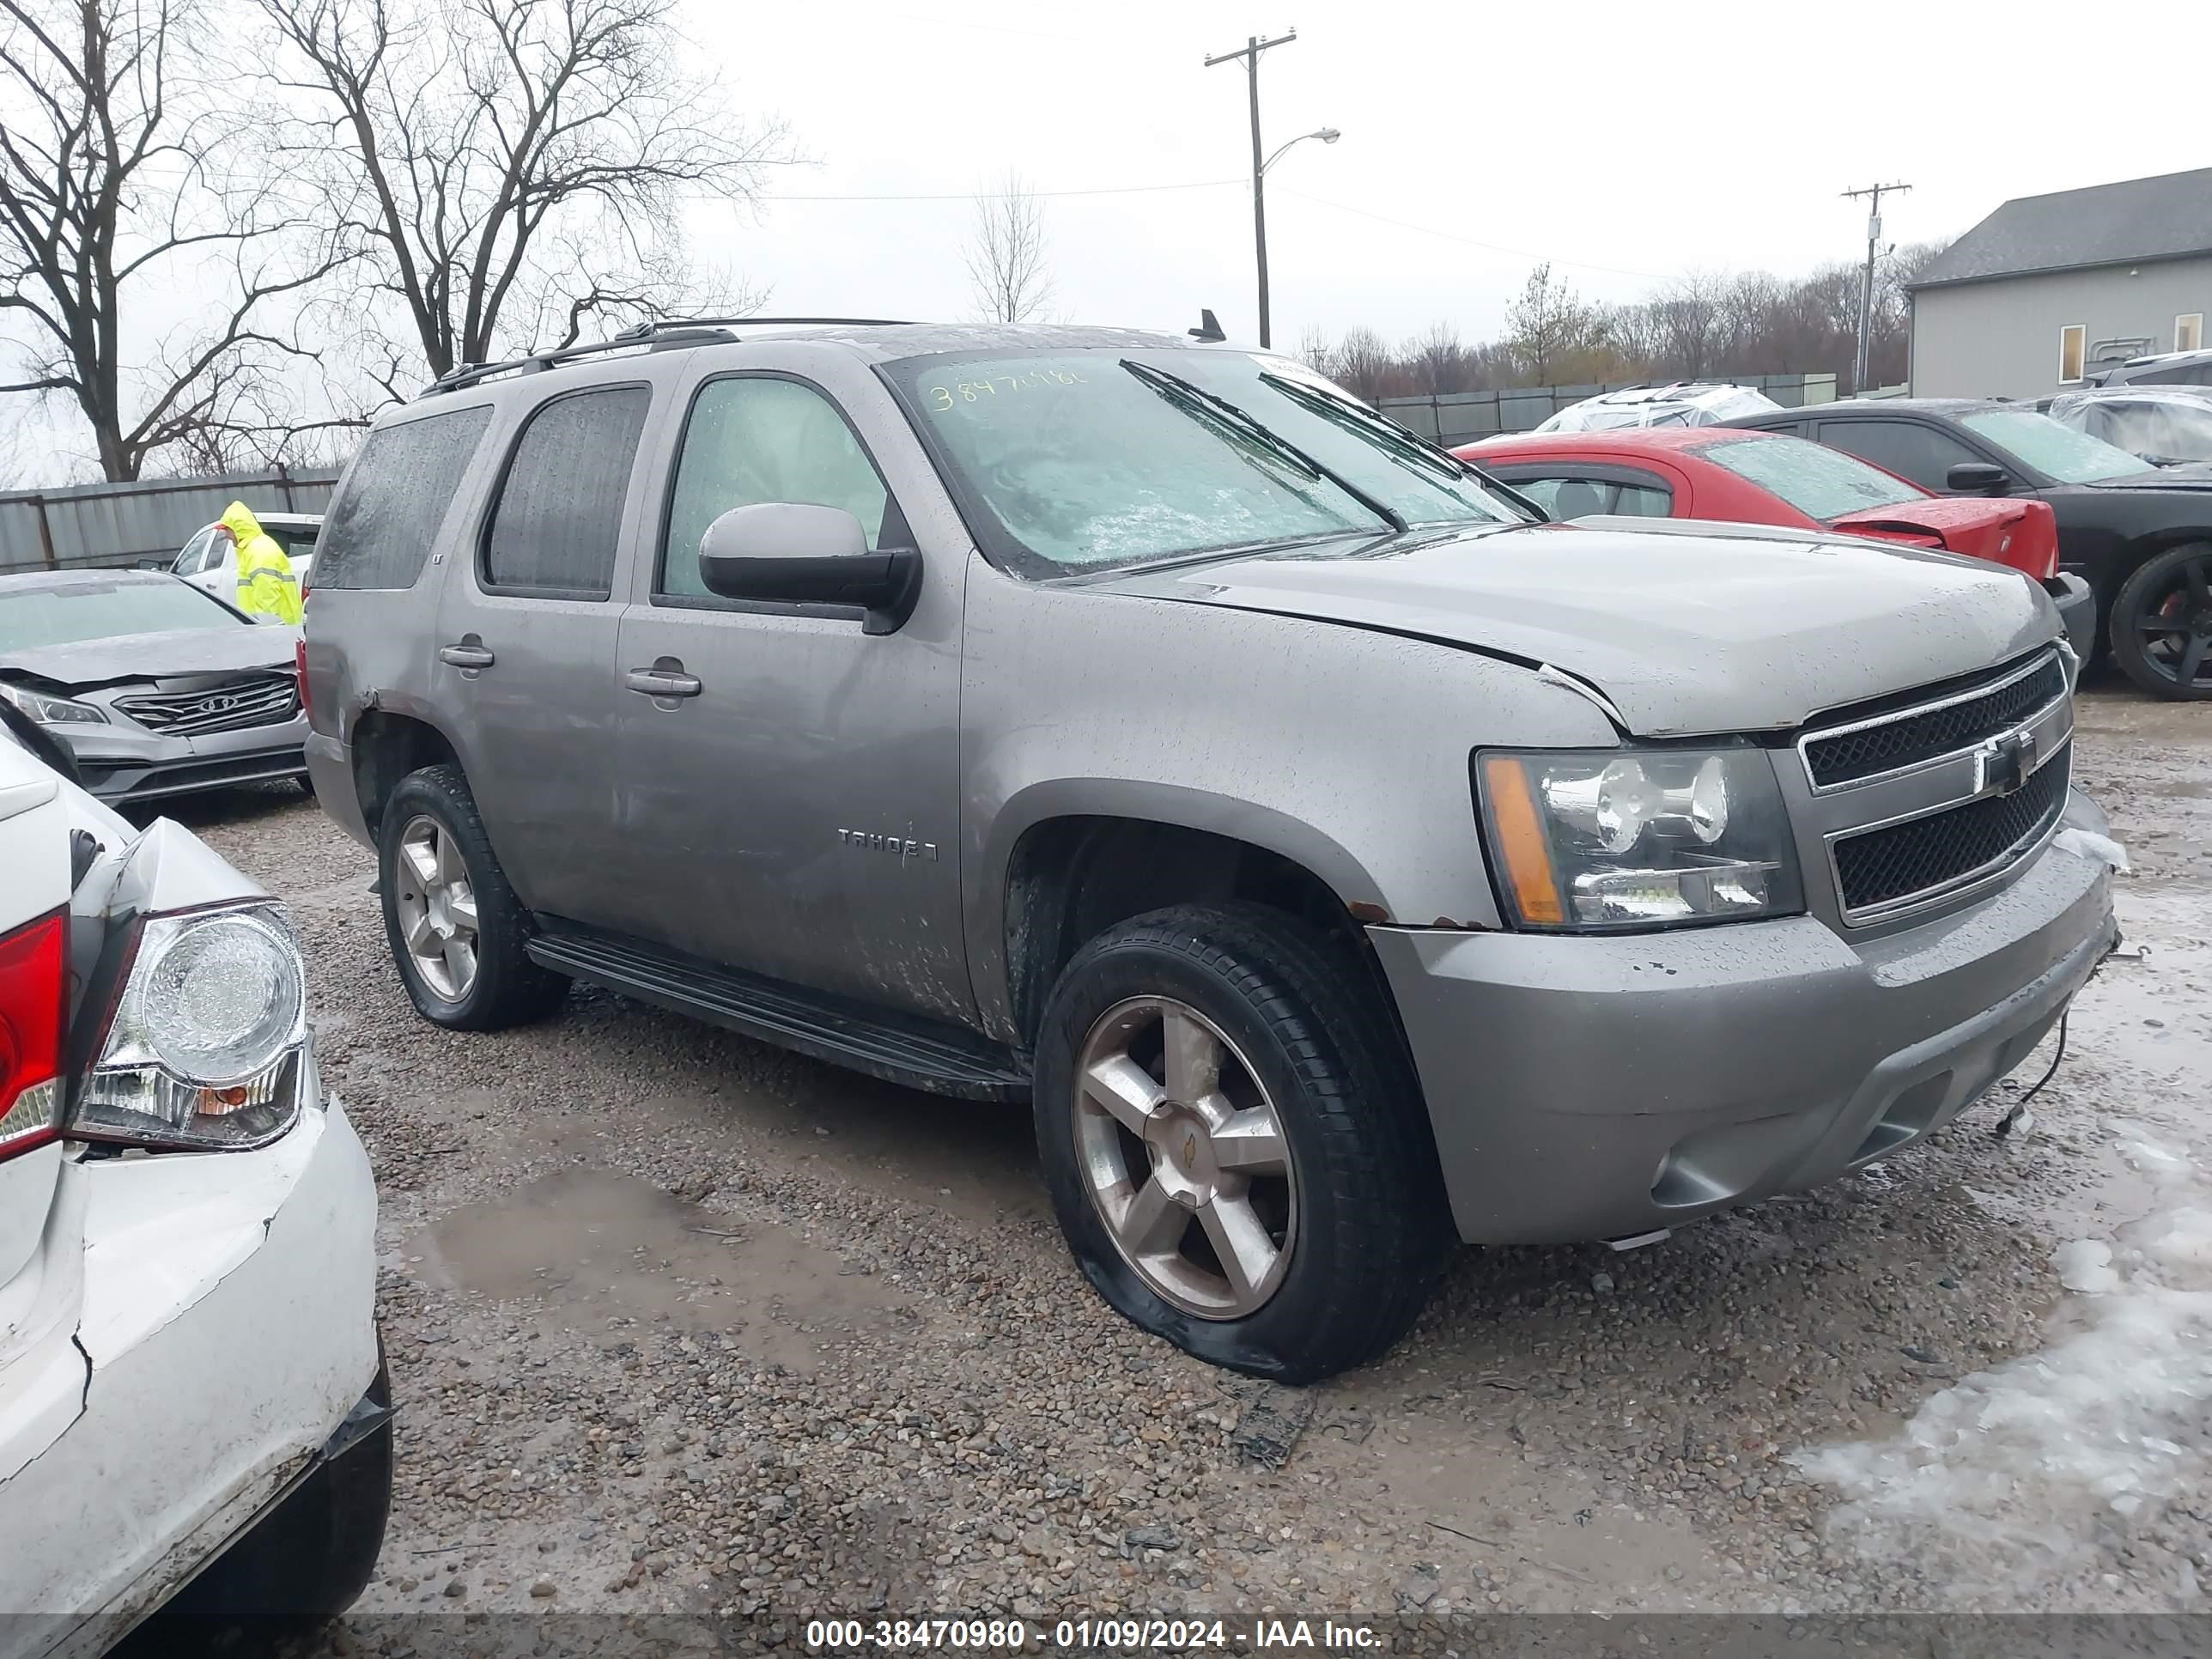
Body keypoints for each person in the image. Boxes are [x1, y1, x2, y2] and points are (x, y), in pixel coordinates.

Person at [220, 501, 303, 625]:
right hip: (278, 627)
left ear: (238, 528)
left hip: (276, 629)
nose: (226, 535)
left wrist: (266, 631)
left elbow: (267, 597)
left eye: (227, 529)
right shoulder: (255, 549)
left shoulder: (259, 551)